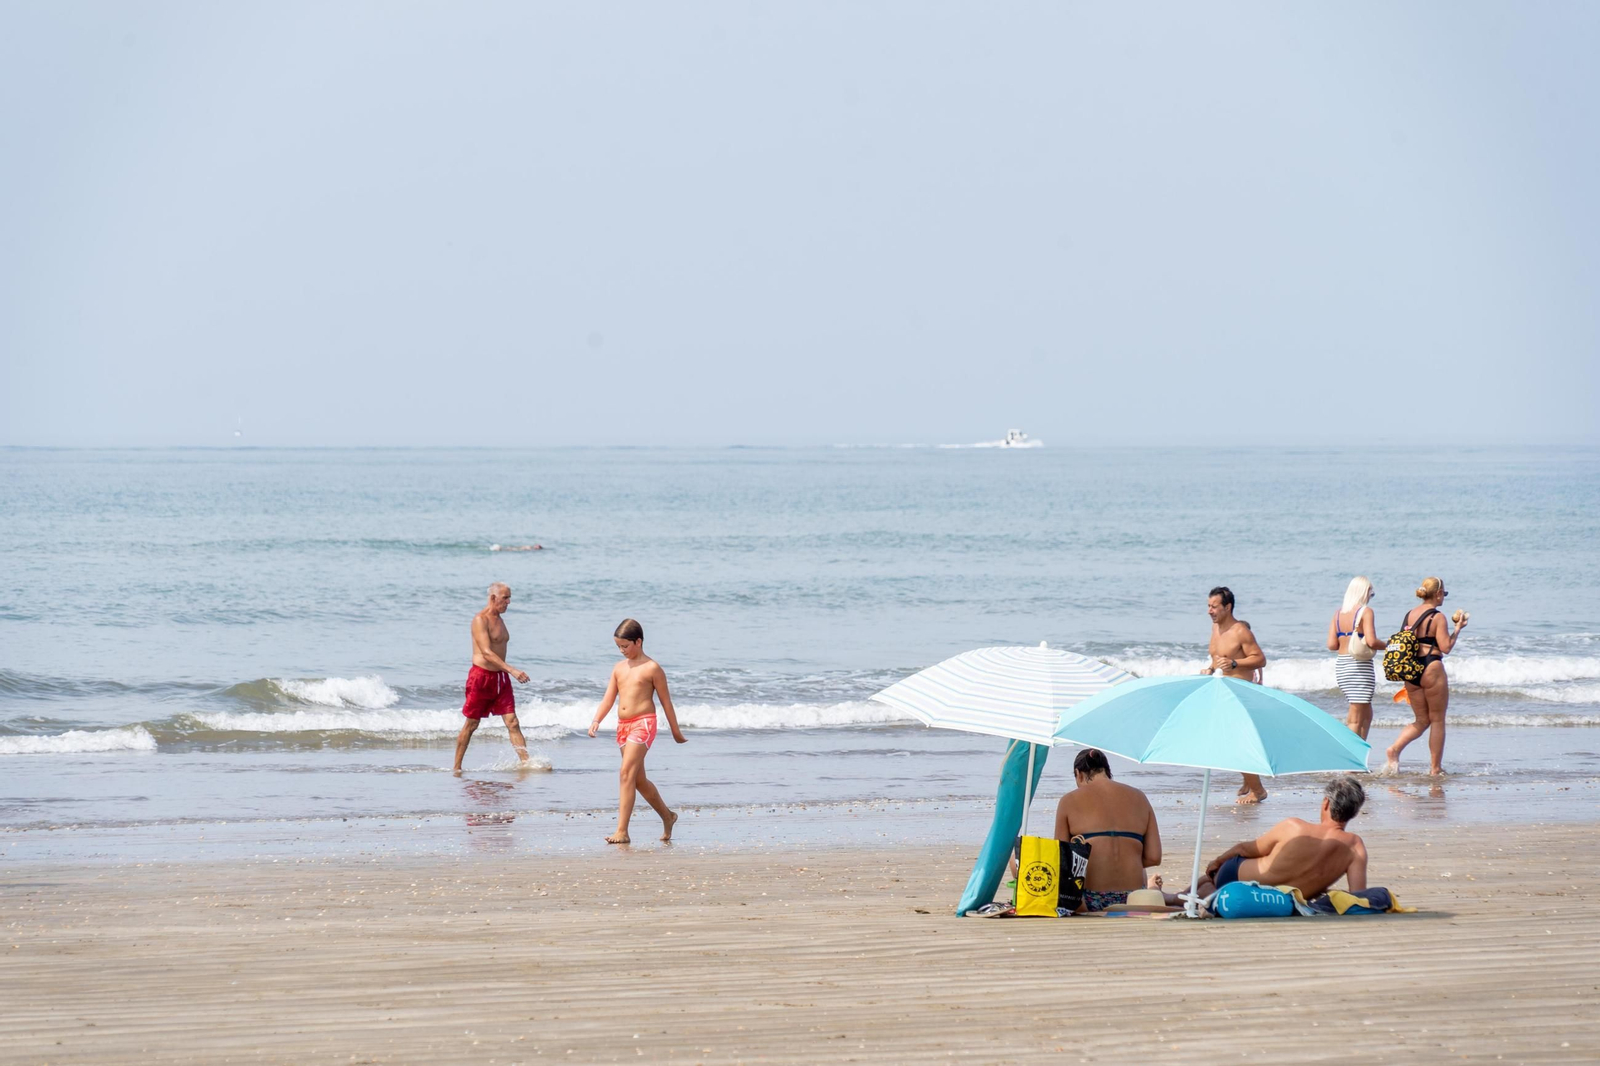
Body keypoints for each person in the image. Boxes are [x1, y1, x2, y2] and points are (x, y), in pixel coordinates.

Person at [1182, 775, 1369, 900]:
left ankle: (1181, 896)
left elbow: (1245, 849)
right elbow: (1358, 897)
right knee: (1209, 881)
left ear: (1326, 803)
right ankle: (1186, 893)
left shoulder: (1294, 826)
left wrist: (1217, 861)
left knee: (1211, 878)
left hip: (1233, 877)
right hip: (1283, 899)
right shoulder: (1355, 847)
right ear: (1354, 811)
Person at [588, 619, 687, 843]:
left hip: (644, 723)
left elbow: (666, 702)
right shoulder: (619, 668)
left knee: (625, 774)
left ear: (639, 642)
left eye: (625, 646)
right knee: (638, 780)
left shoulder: (652, 668)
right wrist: (597, 719)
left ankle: (622, 831)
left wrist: (676, 732)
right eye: (618, 647)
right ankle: (668, 816)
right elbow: (608, 698)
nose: (622, 651)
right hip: (623, 726)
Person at [1055, 748, 1162, 911]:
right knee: (1138, 864)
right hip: (1133, 898)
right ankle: (1151, 888)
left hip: (1089, 901)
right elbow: (1154, 857)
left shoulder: (1068, 801)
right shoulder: (1139, 797)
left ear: (1078, 773)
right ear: (1107, 770)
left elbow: (1061, 861)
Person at [1384, 576, 1468, 776]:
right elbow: (1446, 647)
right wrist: (1457, 630)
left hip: (1410, 670)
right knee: (1437, 720)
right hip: (1431, 666)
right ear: (1438, 594)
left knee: (1421, 720)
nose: (1444, 598)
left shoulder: (1409, 615)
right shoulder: (1437, 617)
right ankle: (1435, 769)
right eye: (1444, 594)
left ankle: (1394, 749)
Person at [453, 583, 532, 773]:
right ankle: (456, 768)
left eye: (509, 597)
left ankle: (527, 764)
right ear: (493, 598)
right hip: (481, 677)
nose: (509, 602)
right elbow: (487, 653)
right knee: (472, 724)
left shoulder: (500, 620)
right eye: (505, 598)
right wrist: (512, 670)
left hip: (500, 678)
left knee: (512, 721)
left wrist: (506, 672)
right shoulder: (480, 620)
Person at [1202, 586, 1270, 803]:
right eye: (1208, 606)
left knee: (1238, 742)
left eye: (1214, 606)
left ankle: (1258, 790)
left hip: (1240, 693)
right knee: (1228, 742)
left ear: (1227, 607)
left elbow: (1260, 659)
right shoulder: (1215, 630)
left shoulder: (1241, 631)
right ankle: (1251, 783)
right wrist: (1210, 669)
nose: (1209, 611)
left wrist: (1235, 663)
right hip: (1221, 691)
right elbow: (1217, 659)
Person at [1326, 576, 1386, 739]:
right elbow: (1372, 641)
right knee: (1356, 714)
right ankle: (1351, 755)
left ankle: (1361, 751)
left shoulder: (1338, 614)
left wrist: (1345, 638)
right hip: (1359, 666)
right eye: (1370, 593)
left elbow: (1332, 645)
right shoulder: (1365, 612)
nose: (1370, 597)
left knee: (1365, 712)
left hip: (1343, 665)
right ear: (1363, 592)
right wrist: (1389, 645)